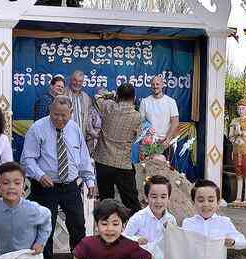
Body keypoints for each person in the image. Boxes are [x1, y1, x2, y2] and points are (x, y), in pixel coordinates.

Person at [21, 95, 97, 259]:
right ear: (50, 111)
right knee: (45, 228)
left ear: (70, 113)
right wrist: (39, 175)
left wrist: (90, 181)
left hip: (71, 186)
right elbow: (27, 159)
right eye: (56, 115)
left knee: (78, 225)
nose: (60, 119)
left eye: (64, 116)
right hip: (46, 187)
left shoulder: (74, 128)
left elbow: (83, 157)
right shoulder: (37, 128)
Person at [73, 199, 154, 259]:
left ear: (123, 226)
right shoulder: (88, 243)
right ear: (96, 225)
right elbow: (77, 255)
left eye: (115, 224)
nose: (109, 229)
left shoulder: (129, 246)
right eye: (104, 224)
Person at [0, 162, 52, 256]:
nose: (11, 187)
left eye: (17, 183)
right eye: (5, 183)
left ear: (23, 187)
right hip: (1, 258)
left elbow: (46, 218)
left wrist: (40, 242)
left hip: (27, 258)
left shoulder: (32, 209)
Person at [93, 83, 142, 215]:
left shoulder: (108, 107)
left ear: (118, 96)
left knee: (106, 201)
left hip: (103, 161)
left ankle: (107, 230)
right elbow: (136, 136)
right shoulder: (137, 116)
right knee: (131, 202)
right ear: (134, 97)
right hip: (123, 164)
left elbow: (97, 96)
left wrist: (111, 95)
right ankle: (136, 231)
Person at [182, 179, 246, 249]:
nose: (206, 204)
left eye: (211, 200)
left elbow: (242, 241)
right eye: (201, 200)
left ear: (218, 203)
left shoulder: (224, 222)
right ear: (193, 203)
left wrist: (233, 241)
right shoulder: (188, 223)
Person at [124, 175, 177, 246]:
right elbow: (123, 239)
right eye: (154, 197)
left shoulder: (171, 219)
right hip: (142, 256)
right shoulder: (138, 218)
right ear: (146, 198)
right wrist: (137, 240)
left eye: (163, 197)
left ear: (168, 198)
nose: (158, 201)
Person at [139, 76, 179, 157]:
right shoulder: (144, 102)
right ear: (150, 86)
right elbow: (141, 121)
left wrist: (167, 140)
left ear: (162, 85)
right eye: (153, 84)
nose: (155, 86)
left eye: (157, 84)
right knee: (148, 168)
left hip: (165, 143)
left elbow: (175, 122)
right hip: (149, 144)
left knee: (165, 168)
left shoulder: (171, 102)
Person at [63, 70, 100, 154]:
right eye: (75, 80)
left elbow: (89, 121)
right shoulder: (62, 94)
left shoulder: (86, 98)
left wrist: (94, 134)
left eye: (80, 81)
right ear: (70, 80)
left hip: (80, 139)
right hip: (64, 137)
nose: (77, 83)